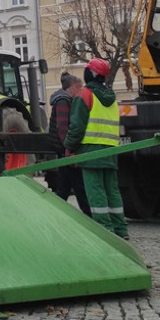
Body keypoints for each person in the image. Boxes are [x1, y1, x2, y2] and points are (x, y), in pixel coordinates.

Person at [65, 58, 128, 239]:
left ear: (90, 74)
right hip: (110, 151)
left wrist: (69, 147)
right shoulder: (112, 98)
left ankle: (105, 232)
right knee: (112, 191)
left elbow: (77, 126)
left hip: (91, 151)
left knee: (96, 192)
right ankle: (121, 229)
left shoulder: (85, 95)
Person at [46, 72, 90, 215]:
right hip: (66, 150)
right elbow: (62, 128)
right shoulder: (63, 101)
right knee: (77, 185)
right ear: (72, 87)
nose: (81, 91)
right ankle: (88, 214)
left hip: (64, 150)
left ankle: (57, 213)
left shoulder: (65, 100)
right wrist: (69, 150)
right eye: (80, 87)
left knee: (65, 186)